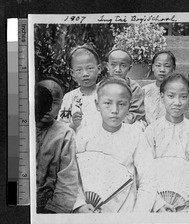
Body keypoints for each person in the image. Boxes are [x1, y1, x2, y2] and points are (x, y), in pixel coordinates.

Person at [74, 77, 156, 213]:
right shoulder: (85, 135)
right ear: (97, 104)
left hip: (126, 209)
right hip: (89, 210)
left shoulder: (136, 135)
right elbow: (72, 176)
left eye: (122, 104)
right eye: (107, 103)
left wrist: (138, 214)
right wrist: (79, 205)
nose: (114, 110)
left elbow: (148, 179)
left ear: (129, 106)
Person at [144, 73, 189, 212]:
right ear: (162, 97)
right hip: (155, 198)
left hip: (187, 199)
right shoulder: (152, 131)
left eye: (183, 97)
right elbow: (145, 171)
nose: (177, 102)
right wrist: (158, 204)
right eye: (171, 96)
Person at [36, 80, 79, 213]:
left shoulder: (65, 134)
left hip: (49, 206)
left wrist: (55, 212)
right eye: (43, 100)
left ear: (61, 105)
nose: (48, 107)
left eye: (54, 102)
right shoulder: (20, 127)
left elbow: (68, 180)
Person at [57, 43, 102, 134]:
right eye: (79, 70)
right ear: (72, 73)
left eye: (90, 68)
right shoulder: (69, 98)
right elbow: (61, 126)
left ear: (99, 69)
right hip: (77, 144)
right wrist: (73, 124)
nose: (85, 73)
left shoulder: (106, 94)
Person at [106, 48, 146, 128]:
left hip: (128, 122)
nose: (118, 69)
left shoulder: (134, 88)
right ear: (107, 66)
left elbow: (135, 113)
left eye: (123, 65)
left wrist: (117, 122)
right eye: (113, 65)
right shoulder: (101, 87)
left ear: (129, 68)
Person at [142, 50, 176, 124]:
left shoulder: (177, 92)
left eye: (167, 66)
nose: (162, 70)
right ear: (153, 67)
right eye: (158, 65)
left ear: (173, 69)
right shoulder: (144, 91)